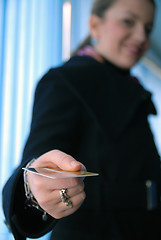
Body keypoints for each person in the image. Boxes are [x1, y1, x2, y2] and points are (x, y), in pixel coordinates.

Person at [2, 0, 161, 239]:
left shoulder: (129, 86)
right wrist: (33, 188)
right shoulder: (66, 80)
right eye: (128, 21)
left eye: (147, 28)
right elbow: (38, 161)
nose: (140, 36)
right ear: (95, 26)